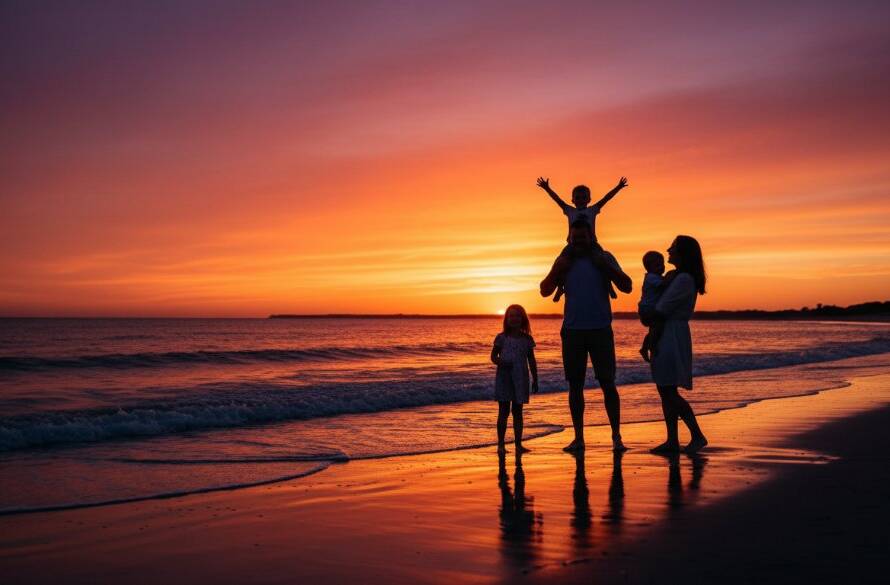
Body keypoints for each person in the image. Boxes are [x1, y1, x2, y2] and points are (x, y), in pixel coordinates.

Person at [540, 219, 633, 453]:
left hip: (601, 329)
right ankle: (579, 438)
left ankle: (616, 437)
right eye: (575, 238)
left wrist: (606, 267)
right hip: (572, 331)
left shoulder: (605, 257)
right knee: (575, 386)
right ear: (569, 240)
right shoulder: (564, 261)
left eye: (583, 237)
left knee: (608, 384)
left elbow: (627, 286)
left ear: (591, 237)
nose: (579, 241)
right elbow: (544, 290)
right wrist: (557, 269)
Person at [649, 235, 709, 454]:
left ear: (682, 253)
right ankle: (672, 440)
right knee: (665, 389)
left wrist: (651, 334)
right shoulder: (678, 277)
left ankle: (697, 435)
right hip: (670, 331)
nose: (668, 250)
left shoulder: (683, 279)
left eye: (673, 248)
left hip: (670, 334)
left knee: (668, 390)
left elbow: (661, 309)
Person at [536, 176, 628, 302]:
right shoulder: (569, 210)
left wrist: (618, 187)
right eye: (577, 197)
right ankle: (559, 289)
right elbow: (557, 200)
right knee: (562, 263)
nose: (581, 200)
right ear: (572, 200)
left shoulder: (593, 210)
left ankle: (609, 287)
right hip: (572, 245)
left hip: (592, 244)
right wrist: (547, 188)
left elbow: (606, 198)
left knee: (602, 262)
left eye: (584, 197)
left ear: (589, 199)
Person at [490, 304, 539, 454]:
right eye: (511, 316)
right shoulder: (501, 338)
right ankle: (501, 445)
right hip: (504, 377)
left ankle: (518, 445)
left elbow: (531, 360)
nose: (514, 318)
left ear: (522, 319)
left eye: (517, 315)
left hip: (521, 377)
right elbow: (493, 356)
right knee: (503, 411)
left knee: (518, 412)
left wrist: (535, 379)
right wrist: (502, 362)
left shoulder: (527, 339)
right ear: (507, 319)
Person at [638, 250, 666, 362]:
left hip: (648, 309)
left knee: (654, 329)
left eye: (662, 264)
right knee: (657, 326)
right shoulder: (651, 277)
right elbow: (664, 285)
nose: (662, 267)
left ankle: (644, 348)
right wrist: (672, 276)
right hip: (648, 310)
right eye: (657, 265)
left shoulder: (656, 277)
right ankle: (652, 347)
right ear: (648, 267)